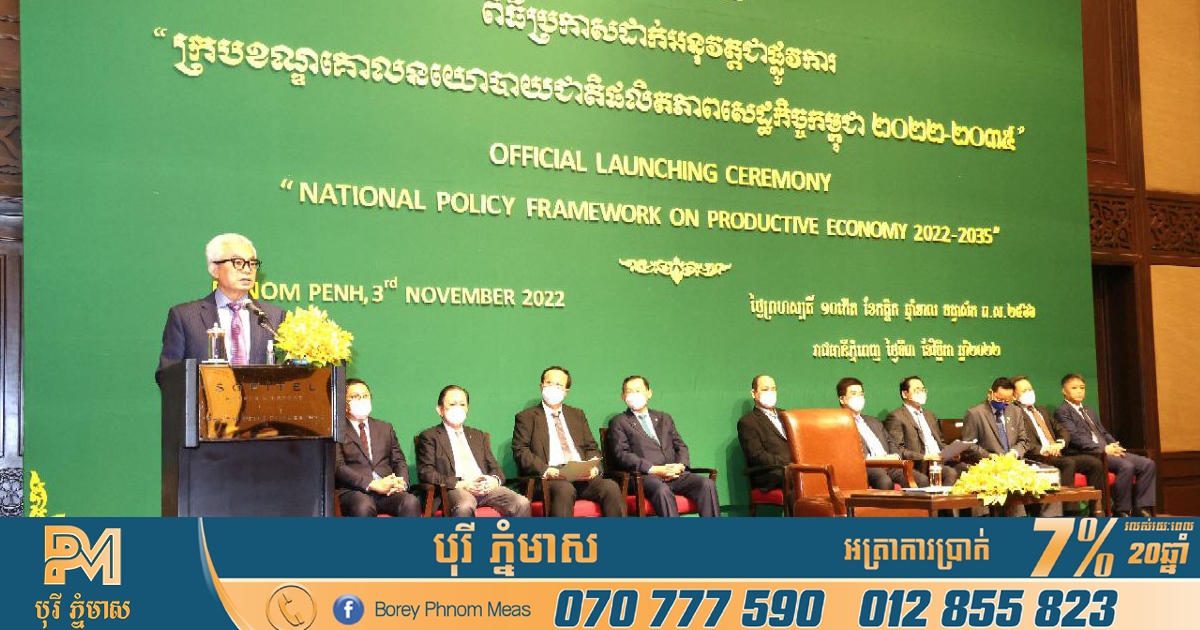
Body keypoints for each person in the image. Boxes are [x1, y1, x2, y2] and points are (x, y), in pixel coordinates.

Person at [156, 233, 284, 383]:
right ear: (214, 269)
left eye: (252, 263)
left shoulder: (274, 317)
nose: (248, 269)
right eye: (238, 262)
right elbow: (168, 375)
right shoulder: (184, 317)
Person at [511, 366, 625, 517]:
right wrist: (546, 470)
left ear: (566, 391)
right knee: (565, 489)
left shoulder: (577, 415)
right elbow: (520, 450)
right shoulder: (527, 417)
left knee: (610, 486)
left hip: (581, 476)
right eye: (549, 383)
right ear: (541, 387)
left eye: (559, 385)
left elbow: (591, 447)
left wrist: (593, 468)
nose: (553, 388)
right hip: (548, 479)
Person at [607, 375, 720, 517]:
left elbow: (680, 446)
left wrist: (680, 466)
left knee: (706, 484)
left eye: (638, 390)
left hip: (675, 473)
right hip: (645, 477)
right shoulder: (619, 422)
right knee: (662, 490)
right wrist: (655, 469)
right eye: (630, 391)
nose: (634, 395)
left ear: (649, 393)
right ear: (623, 397)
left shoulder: (664, 418)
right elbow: (622, 454)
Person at [416, 385, 531, 517]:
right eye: (452, 404)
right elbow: (426, 472)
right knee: (465, 506)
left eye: (462, 404)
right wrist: (462, 484)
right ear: (440, 410)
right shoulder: (430, 436)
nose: (458, 408)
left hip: (485, 488)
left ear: (467, 409)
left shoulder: (477, 435)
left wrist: (494, 481)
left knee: (522, 503)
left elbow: (495, 468)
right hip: (455, 489)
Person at [1054, 374, 1156, 517]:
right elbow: (1075, 438)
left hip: (1107, 450)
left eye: (1082, 388)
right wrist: (1104, 449)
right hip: (1090, 453)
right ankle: (1121, 510)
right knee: (1126, 466)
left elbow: (1102, 432)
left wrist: (1114, 445)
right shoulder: (1062, 411)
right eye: (1074, 388)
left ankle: (1141, 507)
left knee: (1148, 464)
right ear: (1064, 391)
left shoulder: (1088, 410)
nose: (1079, 391)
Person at [1012, 375, 1105, 513]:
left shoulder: (1042, 410)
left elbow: (1062, 430)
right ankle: (1070, 511)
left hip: (1057, 453)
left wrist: (1060, 443)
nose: (1029, 392)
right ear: (1014, 396)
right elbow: (1020, 440)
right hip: (1038, 456)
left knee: (1094, 463)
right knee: (1068, 463)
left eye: (1030, 389)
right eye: (1024, 390)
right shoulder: (1014, 413)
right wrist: (1044, 449)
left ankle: (1096, 510)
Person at [335, 378, 422, 517]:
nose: (361, 400)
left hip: (387, 491)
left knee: (410, 501)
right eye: (355, 397)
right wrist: (372, 484)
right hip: (354, 491)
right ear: (343, 402)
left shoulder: (385, 428)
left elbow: (399, 461)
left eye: (365, 396)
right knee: (364, 505)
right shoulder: (337, 430)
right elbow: (339, 467)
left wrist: (401, 482)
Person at [885, 375, 982, 486]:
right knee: (950, 473)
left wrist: (952, 453)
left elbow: (941, 443)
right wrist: (925, 457)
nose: (921, 393)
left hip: (941, 460)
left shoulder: (929, 415)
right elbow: (898, 450)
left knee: (969, 470)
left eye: (923, 389)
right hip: (922, 464)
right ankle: (942, 498)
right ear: (905, 394)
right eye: (917, 390)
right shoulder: (896, 417)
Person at [836, 377, 929, 490]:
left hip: (890, 465)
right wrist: (877, 460)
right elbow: (850, 455)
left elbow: (891, 443)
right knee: (884, 480)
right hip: (867, 467)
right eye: (854, 394)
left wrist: (895, 456)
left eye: (861, 394)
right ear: (842, 399)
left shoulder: (873, 421)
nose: (859, 397)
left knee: (922, 480)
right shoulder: (839, 424)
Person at [737, 375, 793, 491]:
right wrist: (787, 462)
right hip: (771, 473)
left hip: (793, 468)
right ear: (754, 393)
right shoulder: (748, 422)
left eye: (773, 389)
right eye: (765, 389)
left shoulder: (786, 415)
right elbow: (757, 456)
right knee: (796, 479)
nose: (770, 393)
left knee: (820, 474)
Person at [961, 377, 1031, 458]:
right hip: (989, 462)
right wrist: (988, 455)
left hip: (1013, 461)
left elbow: (1023, 440)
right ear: (990, 393)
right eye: (999, 399)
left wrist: (1014, 453)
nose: (1003, 403)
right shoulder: (975, 414)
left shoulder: (1016, 411)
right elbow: (968, 445)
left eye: (1007, 400)